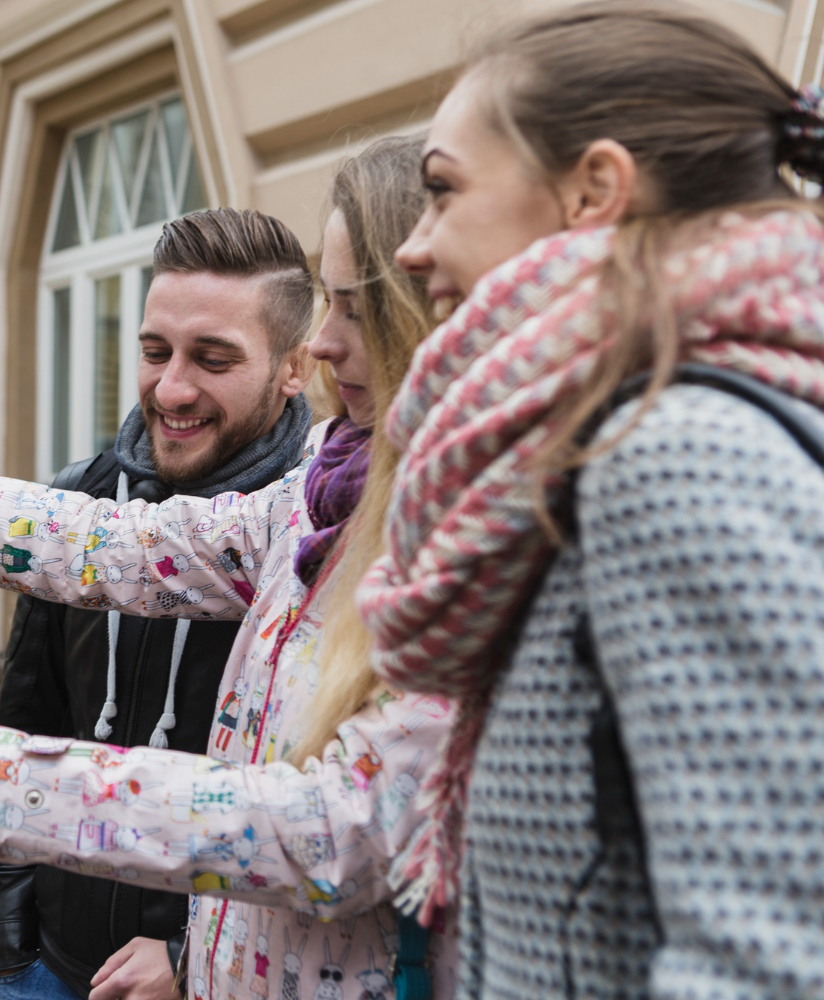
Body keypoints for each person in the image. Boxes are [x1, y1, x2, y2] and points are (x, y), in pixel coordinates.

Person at [0, 134, 457, 999]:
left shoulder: (465, 526)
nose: (329, 341)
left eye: (353, 309)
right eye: (156, 351)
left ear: (436, 308)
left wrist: (5, 787)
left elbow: (336, 835)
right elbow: (111, 543)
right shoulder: (330, 488)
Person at [356, 3, 824, 996]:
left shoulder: (676, 454)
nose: (412, 245)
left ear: (595, 190)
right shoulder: (583, 439)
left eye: (442, 190)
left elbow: (775, 955)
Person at [0, 208, 317, 1000]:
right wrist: (11, 943)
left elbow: (316, 814)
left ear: (294, 365)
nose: (172, 388)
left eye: (212, 359)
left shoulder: (310, 537)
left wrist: (183, 952)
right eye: (154, 351)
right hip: (47, 969)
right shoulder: (81, 501)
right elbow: (29, 723)